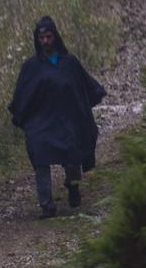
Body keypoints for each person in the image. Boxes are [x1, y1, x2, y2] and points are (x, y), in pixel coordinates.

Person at [8, 17, 107, 217]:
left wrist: (85, 108)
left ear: (55, 37)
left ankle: (73, 186)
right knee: (40, 153)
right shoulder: (31, 67)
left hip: (67, 119)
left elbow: (83, 87)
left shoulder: (69, 63)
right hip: (41, 122)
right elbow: (23, 95)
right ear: (37, 40)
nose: (45, 41)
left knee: (72, 152)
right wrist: (25, 117)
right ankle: (46, 205)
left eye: (48, 36)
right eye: (41, 37)